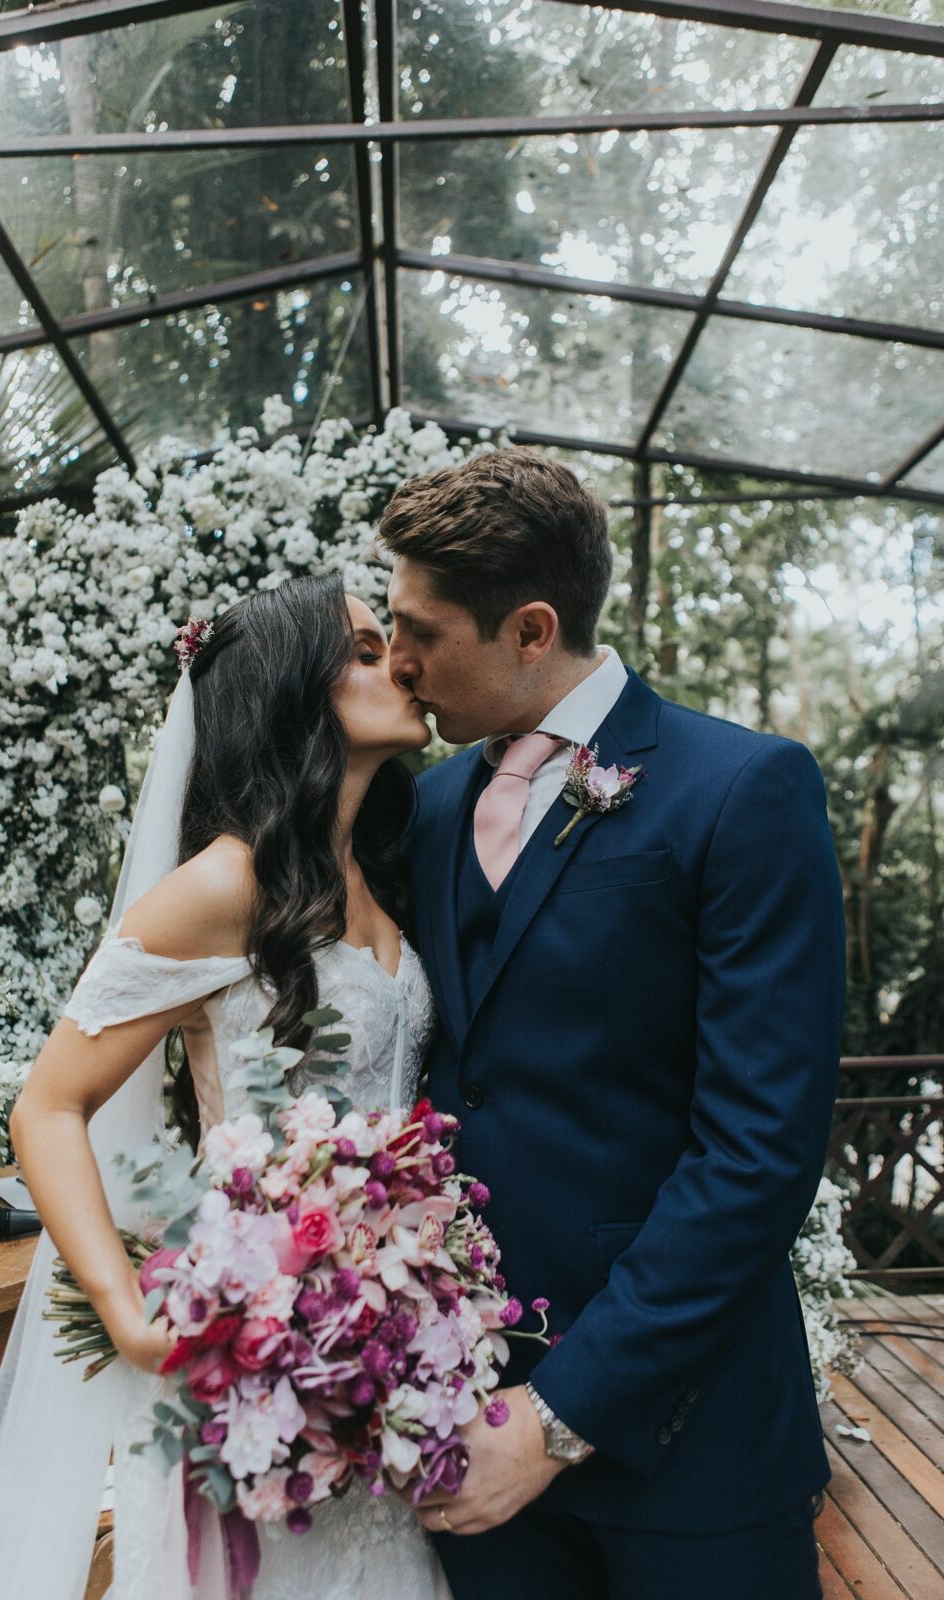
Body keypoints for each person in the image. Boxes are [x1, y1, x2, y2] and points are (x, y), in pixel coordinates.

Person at [379, 446, 846, 1600]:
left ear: (530, 630)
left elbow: (756, 1152)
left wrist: (556, 1416)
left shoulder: (739, 788)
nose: (396, 661)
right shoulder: (423, 809)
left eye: (420, 631)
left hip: (688, 1447)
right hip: (468, 1429)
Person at [0, 573, 454, 1600]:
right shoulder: (223, 883)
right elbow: (47, 1105)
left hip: (380, 1350)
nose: (399, 662)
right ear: (292, 689)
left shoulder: (380, 872)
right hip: (252, 1349)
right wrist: (126, 1311)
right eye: (361, 651)